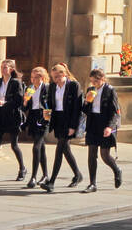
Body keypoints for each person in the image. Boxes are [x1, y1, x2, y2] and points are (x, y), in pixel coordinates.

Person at [40, 63, 83, 193]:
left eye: (58, 77)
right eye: (54, 77)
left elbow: (77, 108)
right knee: (65, 149)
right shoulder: (53, 87)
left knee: (59, 149)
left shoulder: (73, 86)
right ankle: (78, 174)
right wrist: (47, 111)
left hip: (68, 119)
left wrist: (73, 126)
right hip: (57, 119)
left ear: (64, 74)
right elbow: (49, 102)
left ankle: (52, 181)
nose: (56, 80)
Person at [80, 69, 122, 192]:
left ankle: (117, 170)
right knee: (91, 154)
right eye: (92, 81)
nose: (94, 84)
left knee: (105, 155)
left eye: (96, 81)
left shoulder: (110, 90)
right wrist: (87, 102)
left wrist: (109, 127)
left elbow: (115, 112)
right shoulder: (90, 90)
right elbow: (85, 111)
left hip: (105, 124)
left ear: (102, 79)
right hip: (93, 124)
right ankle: (92, 184)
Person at [22, 65, 50, 188]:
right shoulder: (30, 88)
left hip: (43, 118)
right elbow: (25, 108)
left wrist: (47, 119)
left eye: (35, 78)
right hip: (33, 118)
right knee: (41, 147)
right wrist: (25, 101)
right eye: (32, 77)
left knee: (36, 147)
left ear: (42, 78)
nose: (33, 80)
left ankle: (33, 176)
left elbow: (50, 105)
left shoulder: (47, 88)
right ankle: (45, 175)